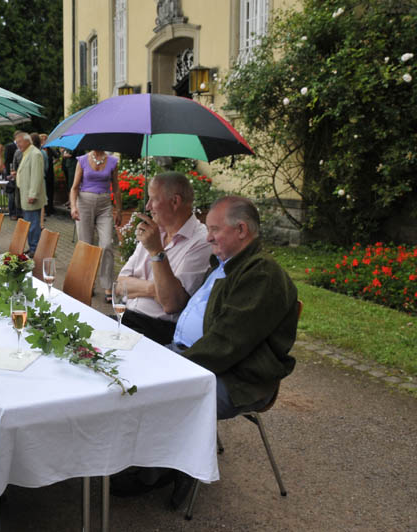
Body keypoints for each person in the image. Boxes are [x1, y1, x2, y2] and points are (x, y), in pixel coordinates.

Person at [112, 196, 299, 508]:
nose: (208, 236)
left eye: (215, 229)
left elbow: (227, 345)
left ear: (241, 230)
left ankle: (165, 470)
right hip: (195, 356)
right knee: (123, 367)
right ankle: (144, 454)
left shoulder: (262, 275)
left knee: (155, 389)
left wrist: (172, 366)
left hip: (239, 377)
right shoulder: (228, 264)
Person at [116, 172, 211, 344]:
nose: (147, 206)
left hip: (157, 330)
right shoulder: (155, 231)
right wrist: (154, 289)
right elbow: (119, 285)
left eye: (153, 199)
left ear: (175, 201)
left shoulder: (201, 241)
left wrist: (156, 251)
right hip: (126, 317)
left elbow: (171, 304)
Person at [69, 149, 122, 301]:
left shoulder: (112, 161)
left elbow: (116, 188)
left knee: (107, 245)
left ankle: (107, 286)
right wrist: (73, 207)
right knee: (86, 245)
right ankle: (88, 283)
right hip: (84, 203)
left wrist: (119, 210)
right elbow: (74, 187)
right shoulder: (82, 160)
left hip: (105, 204)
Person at [14, 131, 46, 255]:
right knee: (30, 223)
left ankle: (35, 249)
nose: (18, 145)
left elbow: (37, 176)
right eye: (17, 142)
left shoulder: (35, 154)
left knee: (33, 224)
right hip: (26, 195)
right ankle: (33, 246)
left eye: (20, 142)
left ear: (28, 141)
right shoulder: (27, 153)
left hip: (31, 196)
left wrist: (33, 194)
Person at [39, 133, 56, 216]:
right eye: (42, 139)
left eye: (45, 139)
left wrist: (53, 162)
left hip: (50, 172)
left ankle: (50, 208)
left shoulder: (50, 149)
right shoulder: (39, 149)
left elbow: (57, 156)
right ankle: (44, 209)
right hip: (43, 172)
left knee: (50, 190)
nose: (44, 141)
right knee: (44, 191)